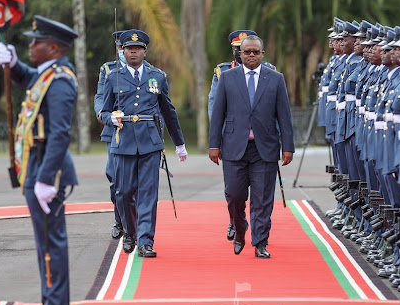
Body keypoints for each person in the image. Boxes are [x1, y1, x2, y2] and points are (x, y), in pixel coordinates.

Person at [0, 15, 79, 305]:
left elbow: (60, 134)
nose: (30, 46)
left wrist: (45, 179)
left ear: (53, 47)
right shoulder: (48, 75)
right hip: (37, 167)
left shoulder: (60, 81)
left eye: (36, 42)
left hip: (46, 172)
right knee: (46, 242)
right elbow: (29, 79)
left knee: (50, 243)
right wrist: (14, 64)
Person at [100, 29, 187, 258]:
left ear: (145, 52)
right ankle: (130, 230)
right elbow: (104, 110)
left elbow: (168, 111)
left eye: (138, 49)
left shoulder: (157, 76)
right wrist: (111, 118)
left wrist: (179, 143)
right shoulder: (112, 76)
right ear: (123, 51)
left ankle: (146, 240)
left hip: (150, 142)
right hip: (123, 140)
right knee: (124, 192)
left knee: (148, 193)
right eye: (129, 49)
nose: (133, 52)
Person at [208, 35, 295, 258]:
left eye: (256, 52)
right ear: (240, 54)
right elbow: (217, 114)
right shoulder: (227, 78)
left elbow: (284, 115)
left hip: (264, 147)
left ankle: (260, 243)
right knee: (234, 195)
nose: (252, 55)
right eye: (247, 52)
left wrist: (288, 146)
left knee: (262, 198)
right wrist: (213, 144)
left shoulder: (275, 79)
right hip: (234, 146)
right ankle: (239, 230)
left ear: (262, 54)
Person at [94, 31, 126, 241]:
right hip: (114, 131)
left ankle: (136, 223)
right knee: (115, 177)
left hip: (139, 131)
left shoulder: (150, 72)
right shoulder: (108, 69)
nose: (125, 52)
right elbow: (100, 96)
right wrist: (102, 114)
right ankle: (120, 220)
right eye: (122, 48)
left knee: (136, 182)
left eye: (131, 48)